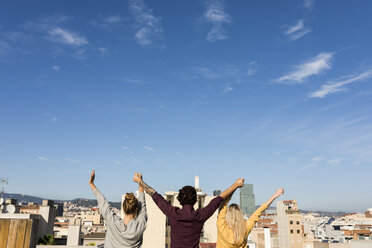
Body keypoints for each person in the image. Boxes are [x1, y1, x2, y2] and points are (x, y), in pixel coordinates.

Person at [133, 172, 245, 248]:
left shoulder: (173, 214)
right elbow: (219, 199)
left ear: (180, 200)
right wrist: (235, 185)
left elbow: (155, 195)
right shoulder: (200, 216)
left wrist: (140, 182)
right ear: (195, 200)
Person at [89, 170, 147, 248]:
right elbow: (142, 206)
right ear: (136, 209)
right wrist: (140, 183)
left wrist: (91, 184)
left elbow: (103, 202)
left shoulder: (113, 222)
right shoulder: (139, 226)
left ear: (123, 207)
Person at [216, 187, 284, 248]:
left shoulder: (221, 225)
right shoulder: (245, 227)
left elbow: (223, 205)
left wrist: (235, 186)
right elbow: (259, 211)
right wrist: (274, 196)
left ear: (227, 215)